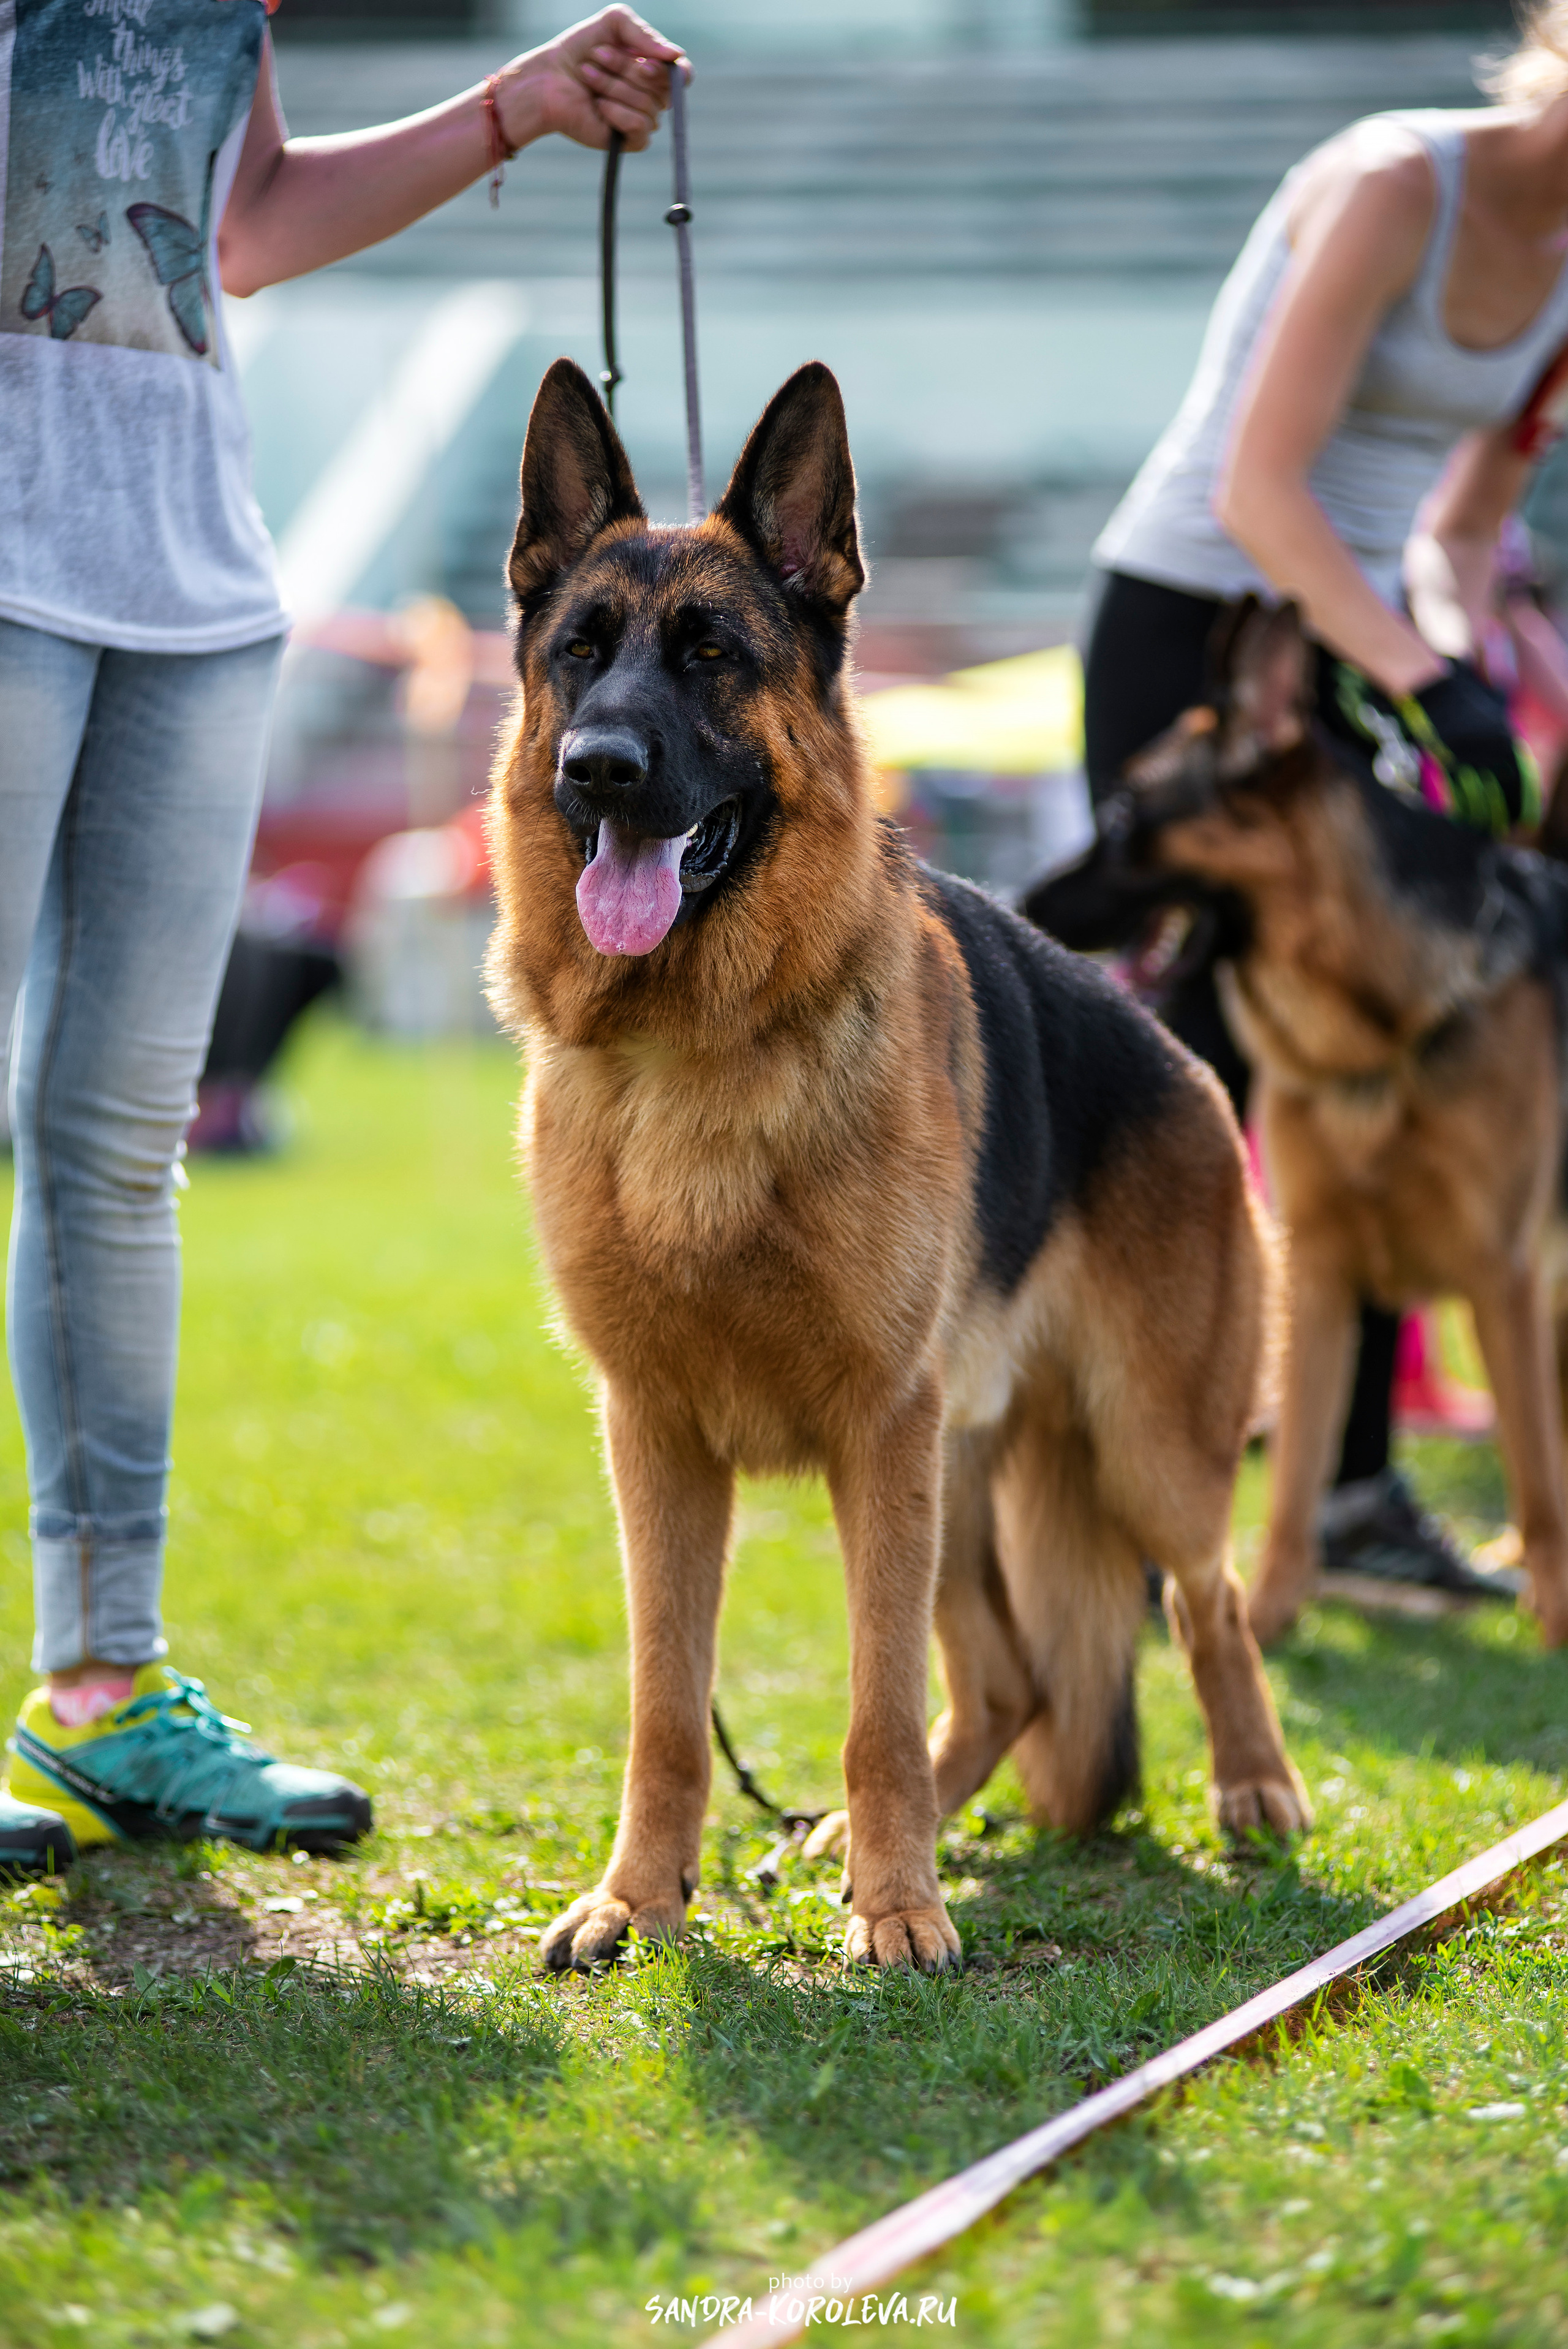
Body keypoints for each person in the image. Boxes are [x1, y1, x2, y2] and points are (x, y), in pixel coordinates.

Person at [0, 5, 684, 1877]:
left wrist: (516, 108)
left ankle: (103, 1684)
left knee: (120, 1146)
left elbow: (237, 218)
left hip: (191, 578)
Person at [1037, 3, 1568, 1598]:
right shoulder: (1404, 185)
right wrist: (1414, 674)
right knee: (1187, 1049)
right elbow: (1264, 486)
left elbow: (1465, 519)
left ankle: (1343, 1501)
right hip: (1195, 614)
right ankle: (1126, 1491)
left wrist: (1461, 658)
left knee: (1391, 1027)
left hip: (1356, 640)